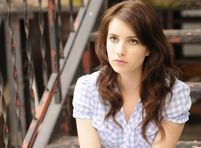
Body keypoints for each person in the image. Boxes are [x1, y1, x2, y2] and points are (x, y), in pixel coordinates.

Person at [72, 0, 192, 147]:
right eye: (114, 38)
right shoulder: (87, 89)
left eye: (133, 41)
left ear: (148, 48)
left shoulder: (173, 94)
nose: (120, 50)